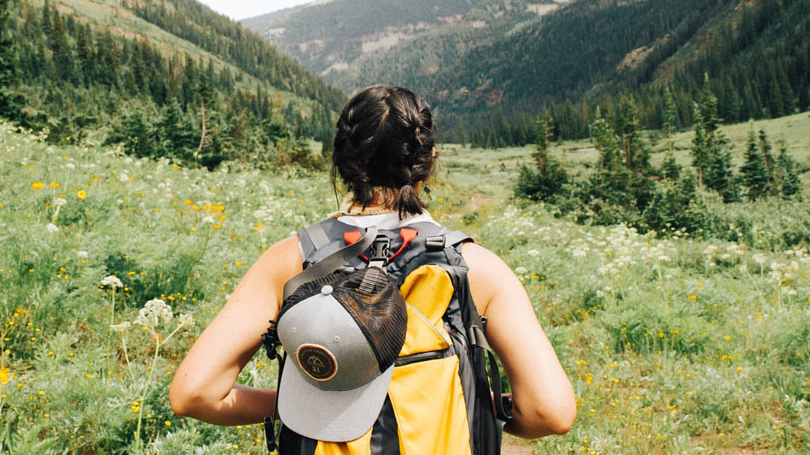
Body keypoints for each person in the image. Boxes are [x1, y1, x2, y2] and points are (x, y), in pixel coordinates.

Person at [170, 85, 575, 449]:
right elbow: (550, 412)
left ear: (342, 162)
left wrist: (294, 405)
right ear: (428, 161)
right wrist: (477, 406)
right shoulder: (476, 267)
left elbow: (194, 393)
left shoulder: (292, 260)